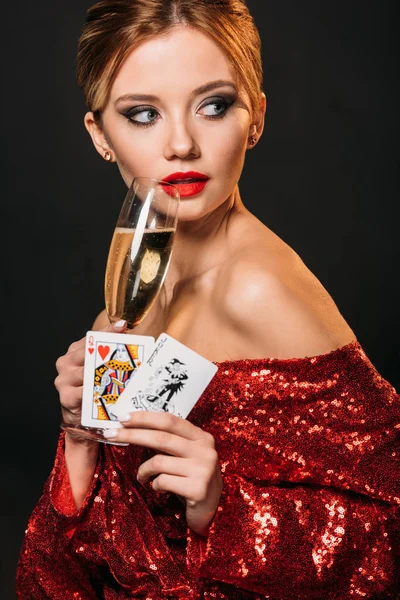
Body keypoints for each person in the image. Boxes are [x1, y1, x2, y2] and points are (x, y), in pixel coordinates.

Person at [16, 1, 399, 598]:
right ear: (101, 137)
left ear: (257, 118)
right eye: (142, 114)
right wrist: (80, 441)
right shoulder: (127, 302)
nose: (181, 144)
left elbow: (388, 537)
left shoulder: (260, 289)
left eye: (213, 106)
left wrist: (225, 510)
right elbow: (70, 564)